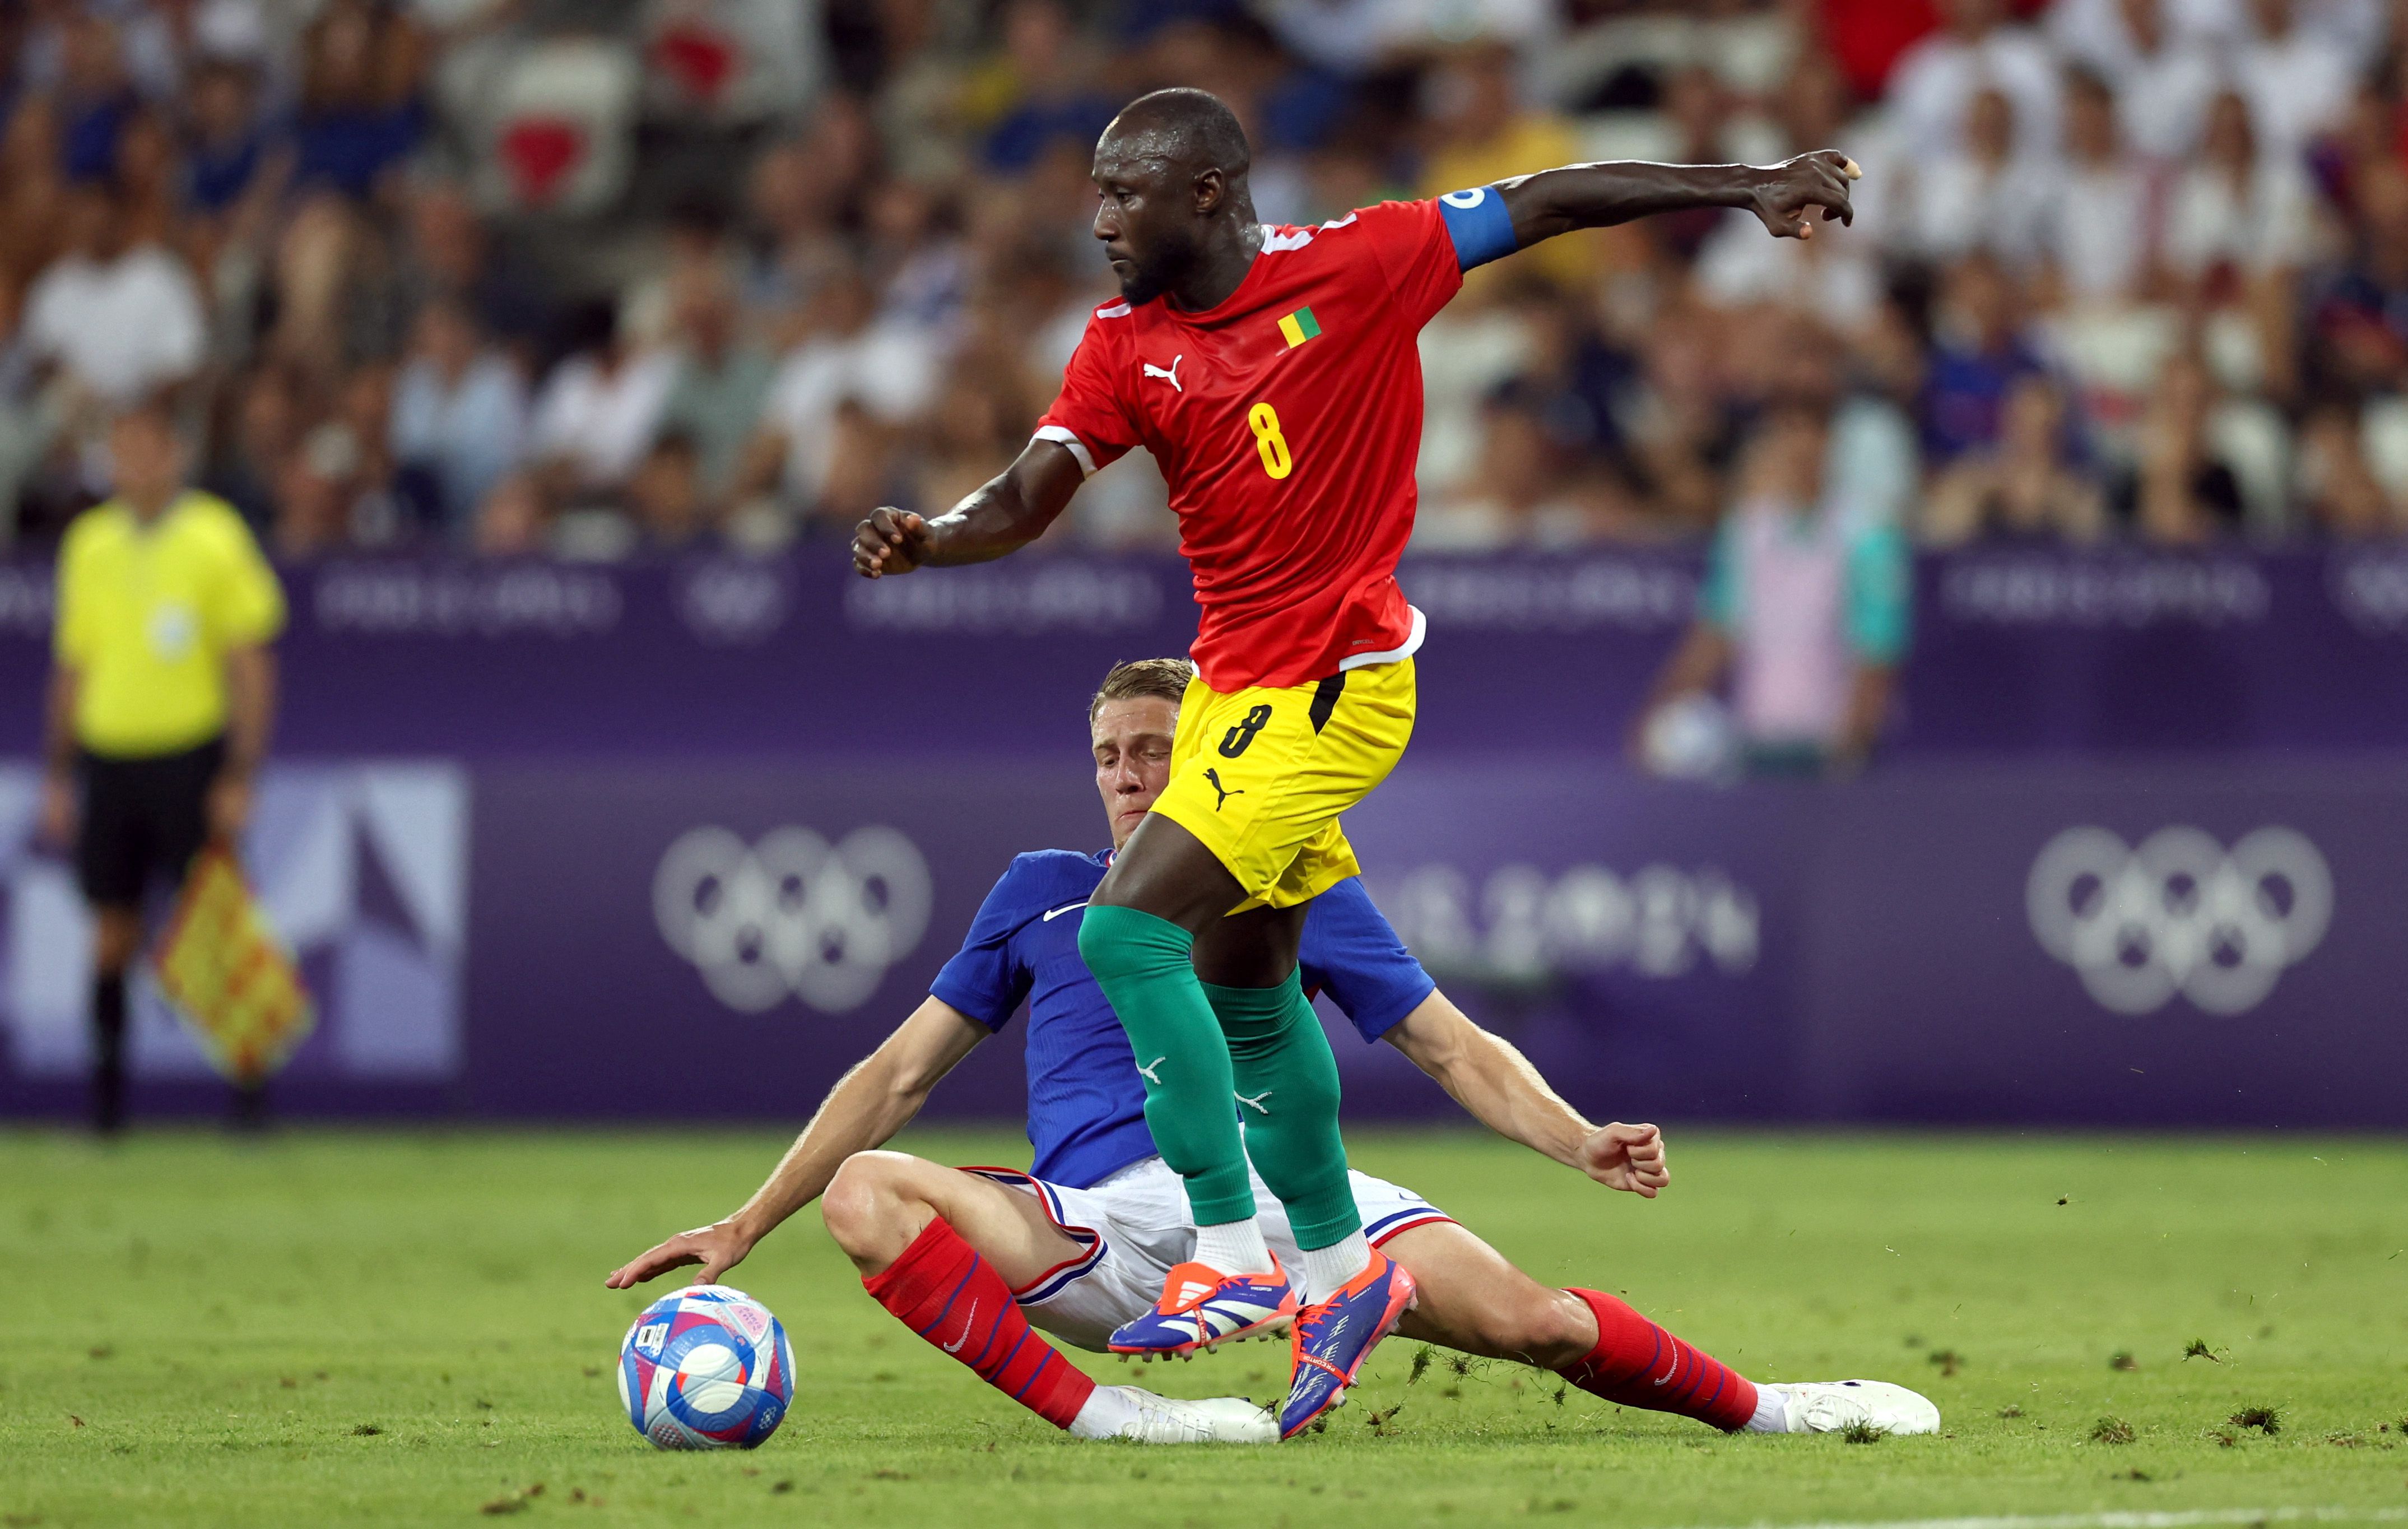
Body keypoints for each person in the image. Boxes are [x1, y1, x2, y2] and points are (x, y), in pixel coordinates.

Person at [849, 86, 1860, 1436]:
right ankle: (1334, 1275)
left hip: (1336, 684)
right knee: (1252, 984)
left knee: (1123, 931)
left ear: (1206, 192)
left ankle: (1228, 1252)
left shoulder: (1363, 262)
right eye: (1095, 193)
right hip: (1233, 694)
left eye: (1123, 193)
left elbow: (1547, 200)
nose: (1097, 221)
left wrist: (1746, 184)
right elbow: (1029, 494)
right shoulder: (1121, 346)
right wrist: (938, 537)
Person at [606, 658, 1939, 1448]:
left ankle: (1777, 1410)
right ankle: (1115, 1422)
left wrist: (1574, 1136)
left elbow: (1449, 1045)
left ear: (1205, 757)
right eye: (1108, 755)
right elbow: (895, 1077)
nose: (1127, 774)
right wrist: (748, 1219)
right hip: (1099, 1225)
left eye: (1153, 750)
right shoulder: (1039, 892)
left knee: (1534, 1322)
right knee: (864, 1194)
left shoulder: (1284, 879)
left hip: (1284, 1202)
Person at [39, 399, 286, 1132]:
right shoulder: (89, 543)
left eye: (149, 449)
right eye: (124, 451)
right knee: (111, 930)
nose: (137, 465)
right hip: (110, 757)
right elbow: (73, 664)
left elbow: (251, 664)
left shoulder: (215, 535)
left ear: (176, 455)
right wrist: (59, 774)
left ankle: (249, 1101)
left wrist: (239, 773)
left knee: (215, 924)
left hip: (189, 755)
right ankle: (107, 1106)